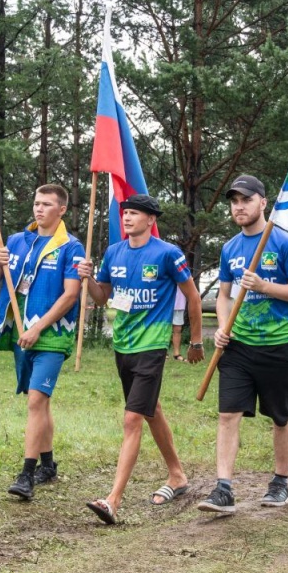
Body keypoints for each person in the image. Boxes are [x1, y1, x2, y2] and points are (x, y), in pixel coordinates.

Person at [76, 195, 205, 524]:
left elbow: (191, 295)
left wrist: (196, 340)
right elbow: (103, 296)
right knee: (151, 410)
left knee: (132, 419)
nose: (128, 218)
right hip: (123, 345)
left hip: (152, 346)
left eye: (134, 213)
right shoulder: (114, 252)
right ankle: (177, 475)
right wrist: (88, 278)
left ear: (150, 219)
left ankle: (112, 500)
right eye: (125, 213)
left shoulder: (167, 254)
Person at [198, 174, 288, 514]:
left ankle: (280, 482)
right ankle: (223, 489)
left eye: (246, 200)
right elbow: (225, 295)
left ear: (263, 202)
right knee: (228, 414)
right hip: (238, 347)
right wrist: (222, 325)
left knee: (280, 417)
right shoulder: (230, 248)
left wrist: (264, 285)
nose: (239, 206)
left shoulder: (285, 243)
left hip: (279, 345)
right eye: (234, 201)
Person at [0, 184, 84, 501]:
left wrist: (39, 328)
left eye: (46, 204)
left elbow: (70, 295)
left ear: (62, 209)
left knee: (35, 402)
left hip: (52, 336)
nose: (39, 209)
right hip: (20, 334)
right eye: (36, 203)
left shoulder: (70, 247)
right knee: (39, 401)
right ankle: (48, 464)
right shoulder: (16, 241)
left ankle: (26, 475)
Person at [171, 288, 187, 361]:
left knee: (177, 329)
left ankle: (176, 354)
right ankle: (163, 353)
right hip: (166, 304)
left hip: (179, 304)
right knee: (164, 328)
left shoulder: (184, 275)